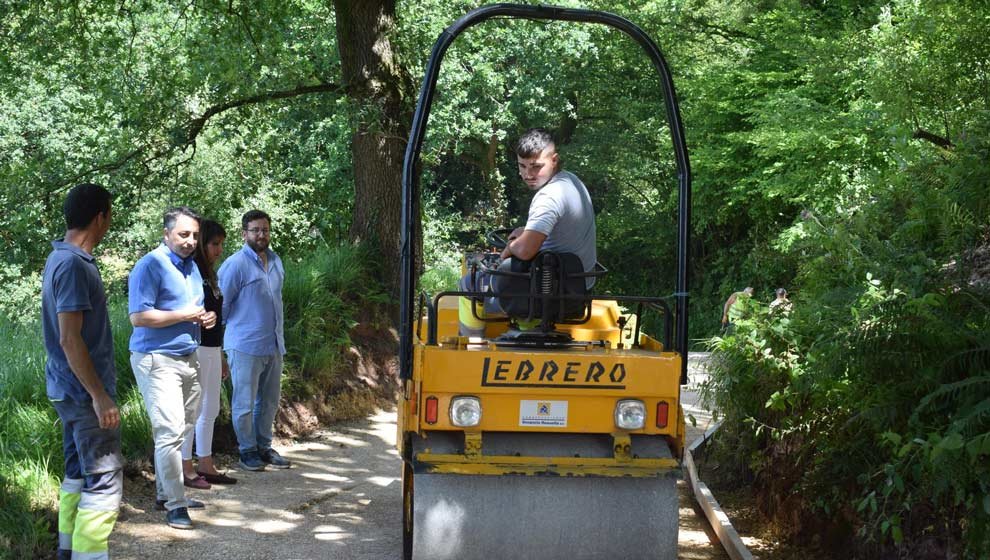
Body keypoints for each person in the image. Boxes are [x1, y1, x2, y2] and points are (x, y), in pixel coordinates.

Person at [42, 183, 121, 560]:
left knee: (77, 473)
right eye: (109, 216)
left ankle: (67, 550)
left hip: (66, 390)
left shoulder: (60, 258)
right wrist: (99, 395)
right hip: (82, 393)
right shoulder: (72, 264)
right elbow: (69, 339)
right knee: (104, 481)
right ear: (100, 217)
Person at [458, 127, 597, 336]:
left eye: (536, 166)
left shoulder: (548, 197)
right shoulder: (572, 182)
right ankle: (529, 329)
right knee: (522, 271)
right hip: (577, 287)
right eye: (522, 166)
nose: (527, 174)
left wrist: (510, 247)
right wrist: (524, 232)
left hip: (548, 291)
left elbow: (525, 251)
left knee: (469, 282)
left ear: (554, 160)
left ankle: (470, 346)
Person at [128, 206, 216, 530]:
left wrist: (207, 317)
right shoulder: (150, 265)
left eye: (194, 235)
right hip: (156, 359)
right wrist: (185, 315)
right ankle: (176, 506)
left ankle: (166, 494)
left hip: (188, 357)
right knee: (169, 432)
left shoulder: (192, 267)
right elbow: (138, 317)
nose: (191, 240)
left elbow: (196, 309)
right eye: (183, 234)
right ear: (166, 234)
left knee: (180, 430)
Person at [218, 209, 291, 471]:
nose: (261, 235)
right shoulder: (235, 265)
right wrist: (219, 349)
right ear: (244, 233)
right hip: (244, 345)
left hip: (273, 344)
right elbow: (221, 307)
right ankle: (246, 451)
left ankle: (264, 446)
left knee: (269, 402)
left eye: (265, 230)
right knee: (244, 403)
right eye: (256, 230)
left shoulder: (276, 261)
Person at [180, 219, 237, 485]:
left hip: (213, 347)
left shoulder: (211, 274)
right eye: (215, 244)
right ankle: (186, 466)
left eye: (222, 244)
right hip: (196, 346)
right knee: (193, 409)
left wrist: (222, 353)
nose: (219, 250)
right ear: (202, 244)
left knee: (211, 407)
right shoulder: (191, 272)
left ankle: (206, 461)